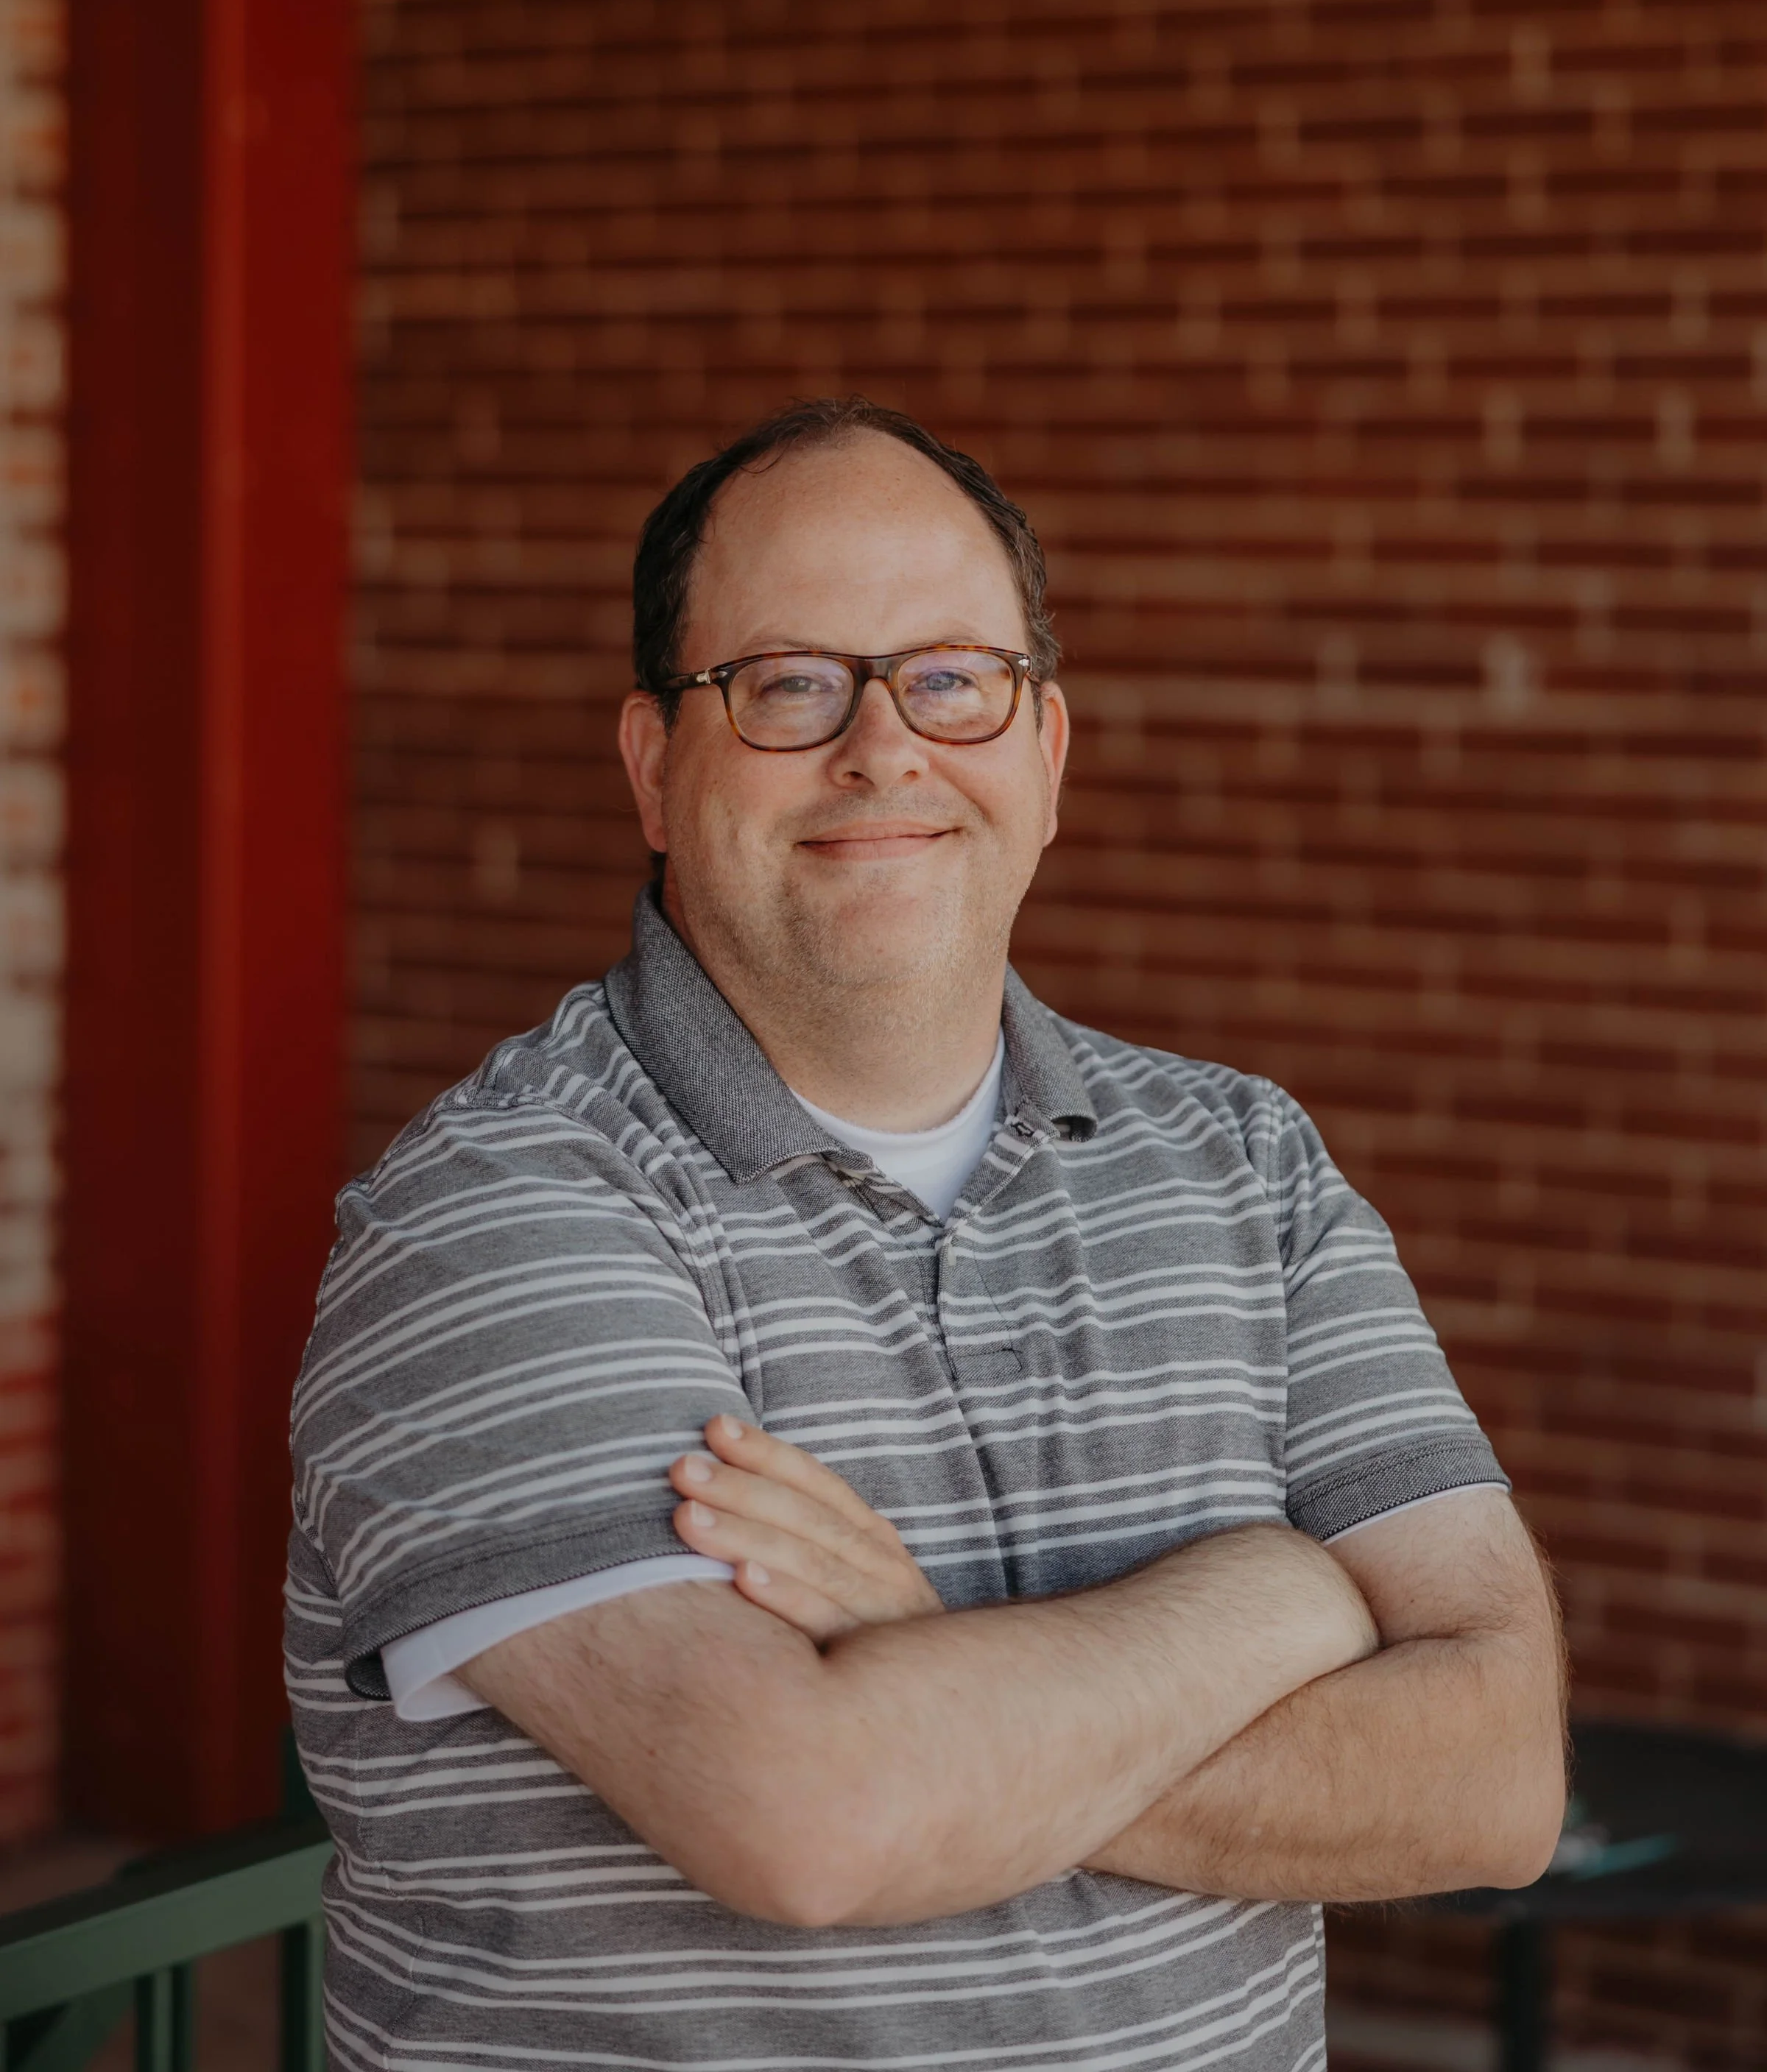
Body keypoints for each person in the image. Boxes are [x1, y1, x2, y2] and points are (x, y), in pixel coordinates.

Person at [287, 397, 1565, 2072]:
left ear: (1046, 755)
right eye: (788, 683)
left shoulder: (1247, 1165)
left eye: (950, 678)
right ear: (654, 768)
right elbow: (818, 1818)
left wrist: (936, 1671)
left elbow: (1499, 1777)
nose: (884, 749)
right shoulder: (493, 1218)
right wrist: (1276, 1594)